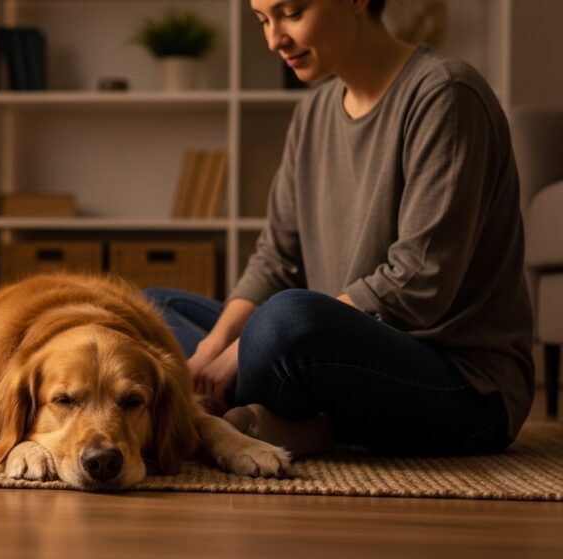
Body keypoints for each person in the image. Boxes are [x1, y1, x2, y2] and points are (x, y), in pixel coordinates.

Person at [145, 0, 533, 458]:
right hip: (334, 354)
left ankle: (237, 408)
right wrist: (211, 352)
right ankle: (299, 419)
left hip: (464, 386)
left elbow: (420, 282)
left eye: (291, 12)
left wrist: (243, 350)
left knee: (284, 323)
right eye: (263, 21)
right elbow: (276, 259)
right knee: (156, 309)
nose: (274, 39)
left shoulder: (446, 94)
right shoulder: (312, 114)